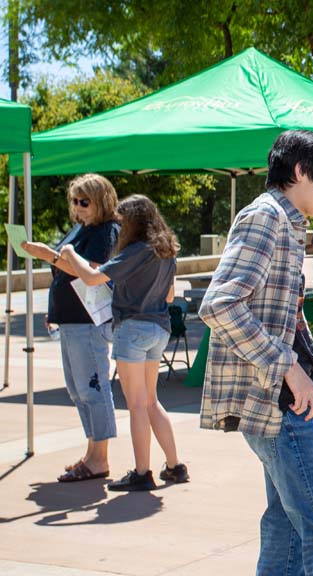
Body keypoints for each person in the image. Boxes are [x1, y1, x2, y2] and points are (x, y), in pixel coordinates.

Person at [199, 130, 313, 575]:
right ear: (300, 172)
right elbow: (219, 304)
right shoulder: (267, 217)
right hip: (279, 406)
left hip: (290, 404)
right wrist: (289, 367)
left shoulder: (287, 221)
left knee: (286, 532)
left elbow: (278, 314)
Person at [48, 195, 187, 491]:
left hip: (132, 329)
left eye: (123, 222)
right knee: (150, 401)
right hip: (159, 329)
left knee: (136, 405)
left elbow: (92, 278)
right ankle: (175, 466)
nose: (119, 227)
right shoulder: (166, 250)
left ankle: (141, 472)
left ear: (133, 222)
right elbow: (170, 295)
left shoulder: (136, 250)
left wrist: (70, 252)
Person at [21, 174, 120, 483]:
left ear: (101, 201)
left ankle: (99, 458)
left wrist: (48, 255)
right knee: (78, 390)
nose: (78, 207)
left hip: (87, 320)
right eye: (75, 201)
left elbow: (92, 272)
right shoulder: (82, 228)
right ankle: (93, 453)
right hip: (70, 318)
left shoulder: (107, 231)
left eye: (84, 201)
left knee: (92, 387)